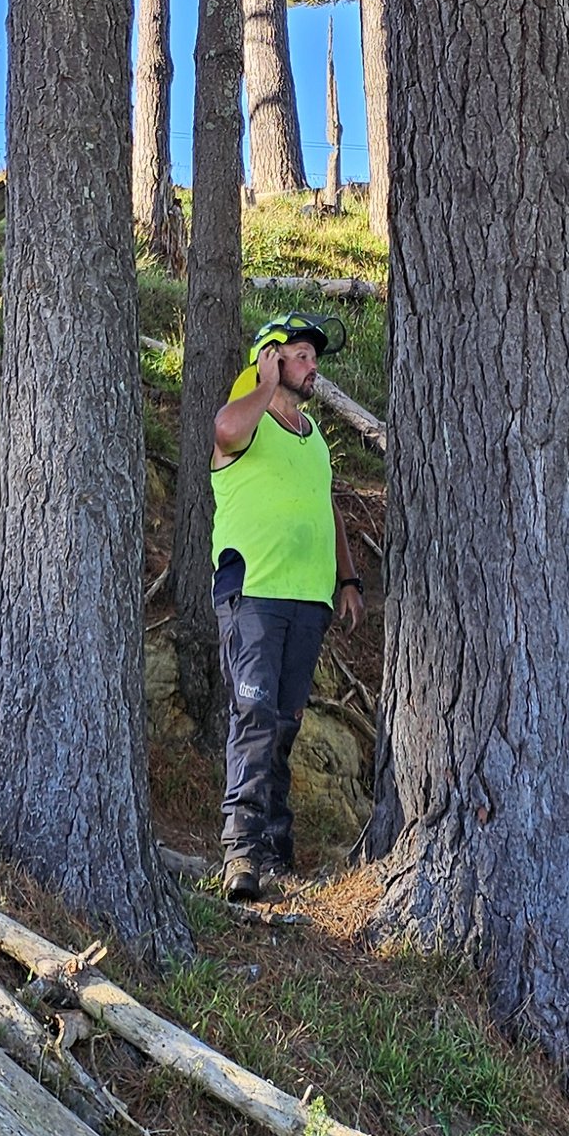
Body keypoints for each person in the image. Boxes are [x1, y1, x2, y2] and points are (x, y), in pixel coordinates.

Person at [209, 313, 367, 899]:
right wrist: (265, 384)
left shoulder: (314, 437)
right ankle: (242, 853)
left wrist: (347, 579)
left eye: (311, 357)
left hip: (308, 600)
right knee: (253, 717)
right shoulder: (247, 419)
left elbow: (325, 508)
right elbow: (222, 431)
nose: (312, 366)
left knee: (285, 724)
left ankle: (276, 851)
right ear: (270, 358)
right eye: (300, 355)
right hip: (254, 594)